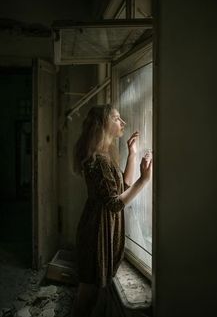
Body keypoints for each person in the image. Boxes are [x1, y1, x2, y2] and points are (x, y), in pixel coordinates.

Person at [71, 104, 152, 317]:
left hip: (98, 227)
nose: (123, 123)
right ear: (104, 124)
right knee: (87, 294)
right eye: (117, 118)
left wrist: (132, 154)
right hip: (95, 231)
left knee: (92, 293)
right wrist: (144, 180)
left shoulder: (104, 156)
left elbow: (122, 187)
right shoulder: (99, 161)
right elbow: (115, 203)